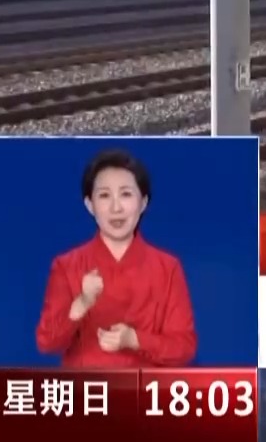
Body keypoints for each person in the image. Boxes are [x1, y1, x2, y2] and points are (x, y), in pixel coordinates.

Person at [36, 149, 196, 368]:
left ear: (143, 202)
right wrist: (82, 303)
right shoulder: (66, 266)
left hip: (147, 388)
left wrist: (135, 339)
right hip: (88, 389)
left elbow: (184, 347)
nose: (116, 207)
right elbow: (46, 342)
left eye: (126, 194)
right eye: (104, 195)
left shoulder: (168, 267)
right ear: (89, 205)